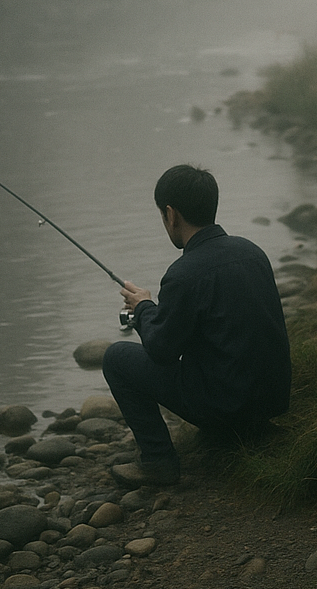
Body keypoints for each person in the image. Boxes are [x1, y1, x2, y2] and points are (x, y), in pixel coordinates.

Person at [102, 164, 292, 487]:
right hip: (272, 400)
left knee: (115, 358)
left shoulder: (183, 274)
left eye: (163, 216)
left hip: (225, 406)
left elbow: (162, 350)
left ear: (171, 215)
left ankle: (158, 461)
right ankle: (254, 429)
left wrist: (143, 308)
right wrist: (150, 308)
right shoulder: (252, 252)